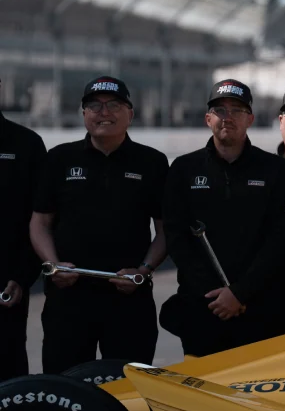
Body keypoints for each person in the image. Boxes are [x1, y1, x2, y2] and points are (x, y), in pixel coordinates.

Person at [29, 76, 168, 373]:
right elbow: (39, 222)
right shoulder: (59, 159)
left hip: (129, 299)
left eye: (114, 105)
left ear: (130, 114)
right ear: (83, 114)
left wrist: (143, 271)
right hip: (68, 297)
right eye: (94, 105)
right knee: (64, 388)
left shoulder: (152, 162)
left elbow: (165, 229)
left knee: (130, 390)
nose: (103, 112)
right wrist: (53, 265)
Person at [161, 79, 285, 356]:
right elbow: (176, 237)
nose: (228, 117)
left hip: (260, 308)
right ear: (208, 119)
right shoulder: (183, 169)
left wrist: (241, 292)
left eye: (236, 110)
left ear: (250, 119)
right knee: (199, 394)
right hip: (203, 306)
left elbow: (279, 239)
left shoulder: (276, 171)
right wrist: (214, 293)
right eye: (220, 110)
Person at [0, 79, 46, 381]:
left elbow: (40, 218)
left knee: (7, 370)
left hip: (6, 285)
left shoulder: (25, 143)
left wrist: (23, 275)